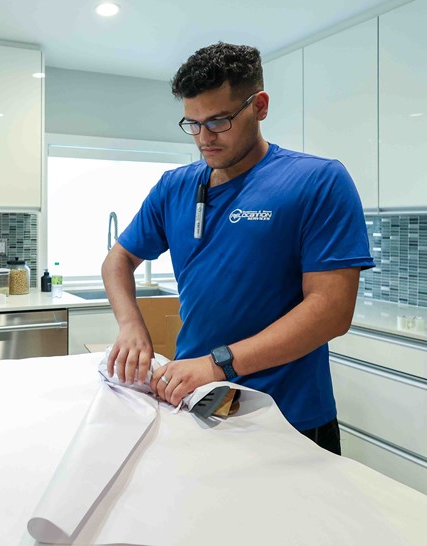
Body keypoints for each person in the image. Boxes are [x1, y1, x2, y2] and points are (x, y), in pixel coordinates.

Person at [102, 43, 374, 455]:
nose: (204, 138)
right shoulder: (175, 187)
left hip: (290, 419)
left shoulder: (317, 181)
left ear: (259, 106)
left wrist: (218, 364)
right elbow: (117, 260)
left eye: (218, 121)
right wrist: (130, 325)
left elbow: (332, 311)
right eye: (192, 123)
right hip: (196, 405)